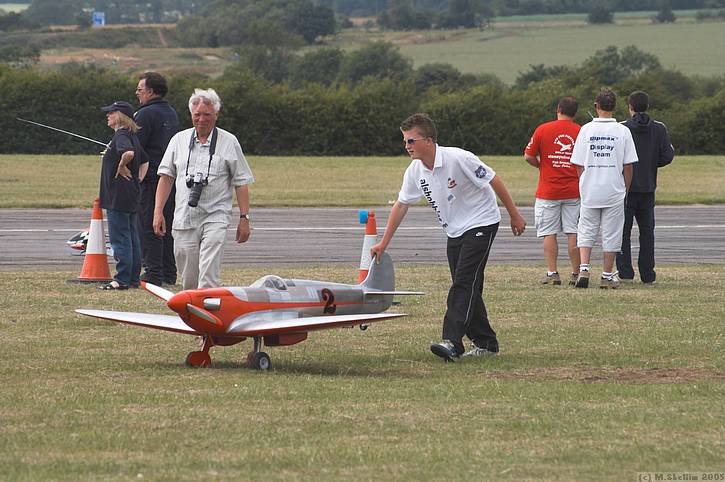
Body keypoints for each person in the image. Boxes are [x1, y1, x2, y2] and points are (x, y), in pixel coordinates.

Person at [370, 113, 526, 362]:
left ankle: (452, 342)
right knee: (467, 285)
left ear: (428, 141)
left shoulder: (458, 158)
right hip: (454, 230)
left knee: (463, 283)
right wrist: (383, 242)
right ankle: (486, 343)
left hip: (482, 222)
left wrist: (515, 215)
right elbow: (401, 205)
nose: (406, 146)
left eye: (411, 141)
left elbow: (494, 179)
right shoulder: (415, 171)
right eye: (405, 141)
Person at [153, 88, 254, 290]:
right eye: (197, 114)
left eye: (207, 115)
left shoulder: (229, 141)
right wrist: (158, 211)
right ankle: (192, 306)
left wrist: (244, 218)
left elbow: (241, 181)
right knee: (188, 274)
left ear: (216, 115)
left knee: (208, 270)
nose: (201, 119)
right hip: (184, 215)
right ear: (191, 115)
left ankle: (209, 307)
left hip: (216, 215)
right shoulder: (178, 140)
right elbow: (166, 177)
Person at [570, 89, 638, 289]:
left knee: (586, 229)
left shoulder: (585, 130)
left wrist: (584, 182)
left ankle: (584, 268)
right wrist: (625, 189)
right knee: (612, 232)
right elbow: (628, 165)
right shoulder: (623, 131)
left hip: (590, 188)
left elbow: (578, 164)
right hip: (613, 189)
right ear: (614, 107)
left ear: (596, 106)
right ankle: (607, 275)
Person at [616, 91, 675, 284]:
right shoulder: (659, 128)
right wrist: (650, 163)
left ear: (630, 107)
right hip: (648, 187)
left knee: (623, 233)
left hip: (625, 189)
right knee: (647, 233)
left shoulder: (622, 128)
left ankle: (625, 272)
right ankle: (648, 274)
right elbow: (667, 155)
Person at [524, 96, 582, 286]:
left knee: (549, 233)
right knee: (573, 232)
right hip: (574, 191)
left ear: (558, 109)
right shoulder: (581, 131)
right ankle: (576, 273)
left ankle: (552, 273)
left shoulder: (543, 129)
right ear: (575, 113)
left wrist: (542, 166)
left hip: (548, 191)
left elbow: (528, 156)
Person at [134, 72, 181, 287]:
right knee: (167, 225)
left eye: (140, 89)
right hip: (171, 178)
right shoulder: (171, 113)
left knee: (149, 224)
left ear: (151, 92)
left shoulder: (144, 115)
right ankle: (168, 273)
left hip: (152, 178)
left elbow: (136, 147)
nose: (137, 93)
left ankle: (152, 272)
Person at [98, 101, 148, 290]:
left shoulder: (121, 136)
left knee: (120, 237)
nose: (107, 116)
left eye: (111, 113)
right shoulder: (131, 136)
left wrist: (121, 165)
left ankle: (122, 279)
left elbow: (128, 153)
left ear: (120, 116)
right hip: (130, 193)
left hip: (117, 195)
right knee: (131, 235)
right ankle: (132, 278)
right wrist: (137, 179)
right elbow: (145, 160)